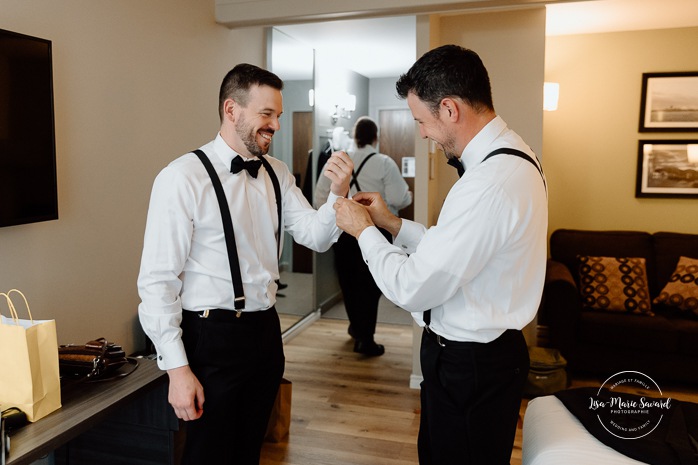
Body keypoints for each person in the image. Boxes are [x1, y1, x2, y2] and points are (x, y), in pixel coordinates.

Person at [333, 45, 548, 464]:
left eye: (421, 121)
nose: (423, 134)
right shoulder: (512, 154)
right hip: (478, 360)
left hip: (471, 366)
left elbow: (413, 287)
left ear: (449, 109)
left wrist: (363, 232)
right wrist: (392, 224)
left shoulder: (489, 182)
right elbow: (458, 250)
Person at [137, 63, 353, 465]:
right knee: (208, 455)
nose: (275, 126)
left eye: (278, 116)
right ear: (231, 110)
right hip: (211, 335)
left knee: (249, 448)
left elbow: (315, 235)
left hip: (267, 333)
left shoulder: (277, 172)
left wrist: (336, 195)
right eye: (266, 115)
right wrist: (177, 370)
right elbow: (157, 282)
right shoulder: (182, 178)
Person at [315, 116, 412, 356]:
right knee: (371, 286)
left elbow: (319, 198)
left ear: (354, 135)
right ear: (376, 137)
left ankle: (356, 328)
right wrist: (405, 196)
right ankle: (365, 339)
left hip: (343, 230)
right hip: (373, 229)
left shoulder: (338, 160)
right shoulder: (384, 162)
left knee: (348, 283)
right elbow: (400, 198)